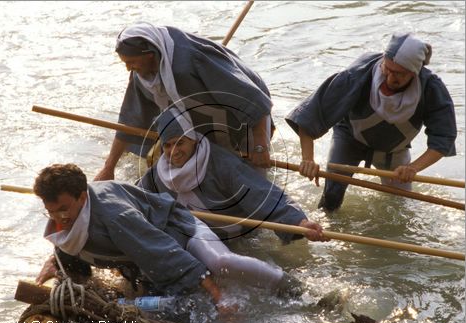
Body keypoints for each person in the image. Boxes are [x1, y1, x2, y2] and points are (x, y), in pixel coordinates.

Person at [34, 163, 311, 307]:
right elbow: (66, 242)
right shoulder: (67, 214)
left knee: (222, 266)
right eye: (51, 211)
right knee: (141, 306)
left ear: (82, 197)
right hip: (147, 255)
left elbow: (161, 250)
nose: (59, 218)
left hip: (182, 232)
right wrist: (57, 263)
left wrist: (217, 296)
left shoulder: (115, 216)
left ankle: (297, 290)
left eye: (63, 209)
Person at [285, 32, 457, 211]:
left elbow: (443, 140)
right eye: (387, 69)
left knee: (399, 208)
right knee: (331, 197)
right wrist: (308, 159)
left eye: (399, 74)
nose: (389, 78)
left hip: (395, 149)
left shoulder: (432, 89)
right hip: (349, 139)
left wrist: (412, 168)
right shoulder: (356, 75)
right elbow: (310, 114)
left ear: (414, 72)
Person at [95, 22, 274, 182]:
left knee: (252, 180)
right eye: (125, 63)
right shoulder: (141, 76)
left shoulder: (191, 61)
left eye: (132, 62)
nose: (129, 68)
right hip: (203, 110)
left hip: (249, 113)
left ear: (150, 55)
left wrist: (260, 146)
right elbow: (130, 120)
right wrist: (108, 168)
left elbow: (253, 99)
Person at [137, 108, 329, 251]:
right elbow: (135, 198)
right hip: (194, 238)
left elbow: (262, 194)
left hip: (236, 236)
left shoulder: (222, 164)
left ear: (193, 139)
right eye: (168, 145)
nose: (174, 152)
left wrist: (300, 223)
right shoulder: (158, 173)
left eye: (180, 143)